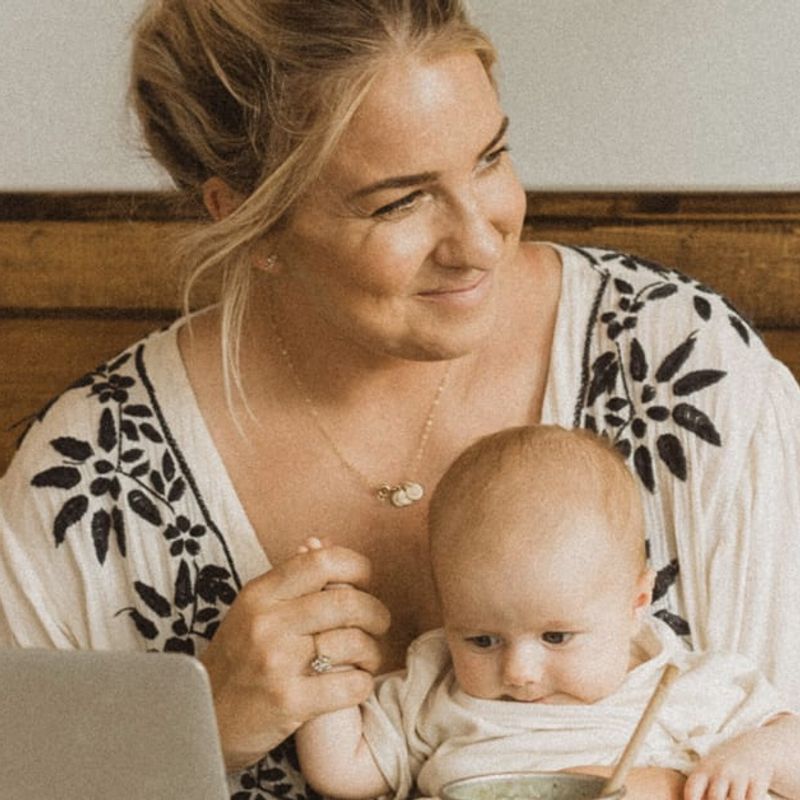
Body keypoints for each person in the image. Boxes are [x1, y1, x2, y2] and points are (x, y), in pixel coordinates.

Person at [0, 1, 798, 798]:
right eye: (399, 202)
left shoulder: (678, 366)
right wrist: (197, 733)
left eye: (490, 158)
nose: (481, 242)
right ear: (245, 214)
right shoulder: (89, 480)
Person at [296, 425, 800, 800]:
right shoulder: (435, 689)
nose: (519, 672)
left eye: (556, 637)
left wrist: (759, 755)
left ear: (635, 606)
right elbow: (343, 772)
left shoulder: (692, 688)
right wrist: (325, 643)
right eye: (482, 640)